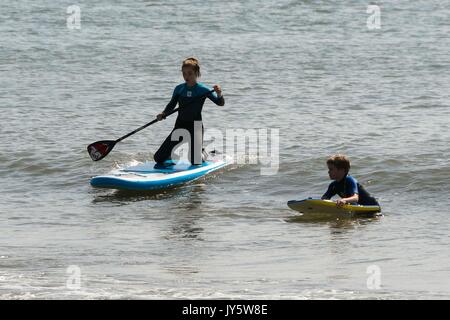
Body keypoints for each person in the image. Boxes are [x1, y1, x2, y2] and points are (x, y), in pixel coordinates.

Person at [154, 57, 224, 166]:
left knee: (195, 161)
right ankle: (169, 154)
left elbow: (220, 103)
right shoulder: (179, 89)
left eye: (190, 73)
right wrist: (163, 114)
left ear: (197, 73)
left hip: (195, 127)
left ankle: (207, 152)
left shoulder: (203, 90)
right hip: (180, 126)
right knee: (158, 158)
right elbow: (171, 105)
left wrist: (219, 94)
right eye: (184, 73)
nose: (187, 76)